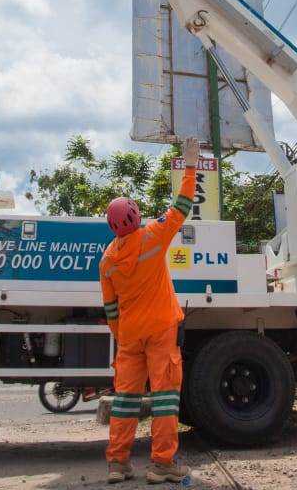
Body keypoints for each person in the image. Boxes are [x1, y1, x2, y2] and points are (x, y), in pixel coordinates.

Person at [99, 137, 198, 485]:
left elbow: (110, 307)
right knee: (165, 399)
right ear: (136, 216)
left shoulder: (107, 260)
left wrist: (122, 335)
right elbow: (183, 206)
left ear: (112, 226)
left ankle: (118, 464)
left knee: (125, 401)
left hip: (129, 336)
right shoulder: (153, 237)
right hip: (161, 331)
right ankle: (161, 464)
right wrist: (190, 165)